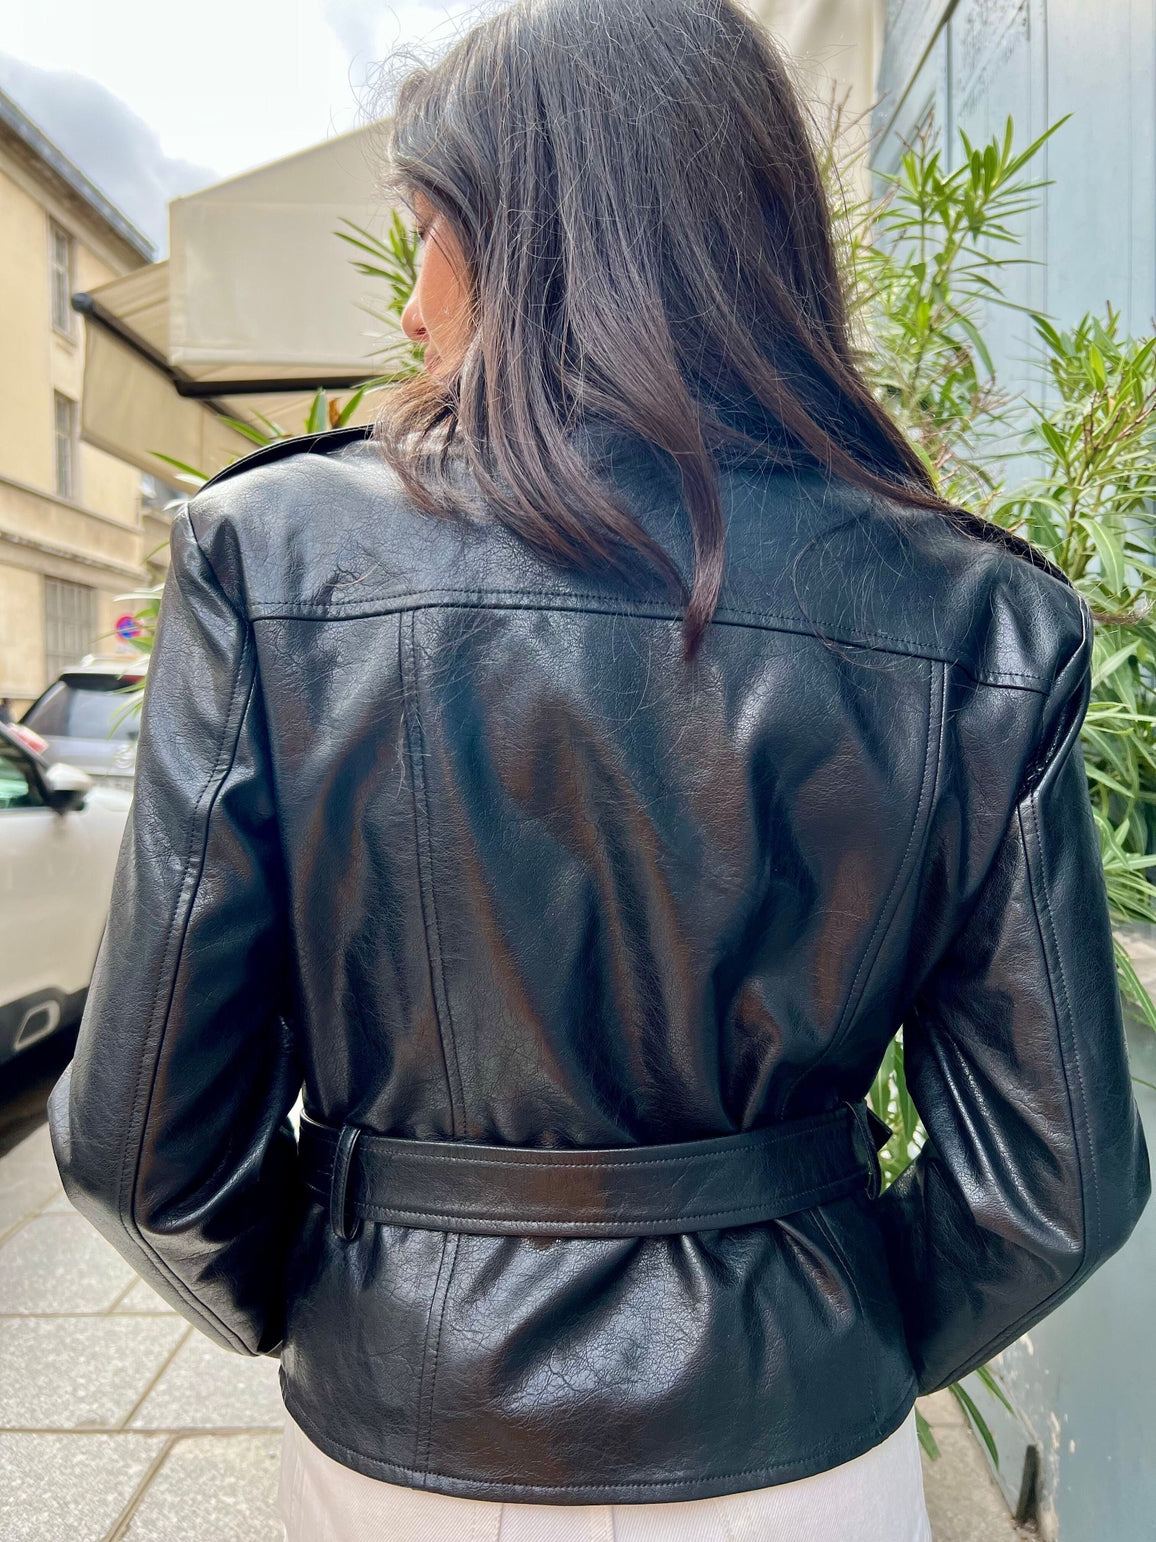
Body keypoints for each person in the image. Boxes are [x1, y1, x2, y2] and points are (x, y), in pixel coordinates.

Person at [50, 1, 1148, 1538]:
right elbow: (1059, 1182)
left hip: (401, 1450)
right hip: (810, 1455)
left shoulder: (273, 557)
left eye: (427, 237)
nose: (412, 309)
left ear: (527, 242)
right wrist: (828, 1323)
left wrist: (358, 1299)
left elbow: (138, 1141)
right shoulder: (976, 617)